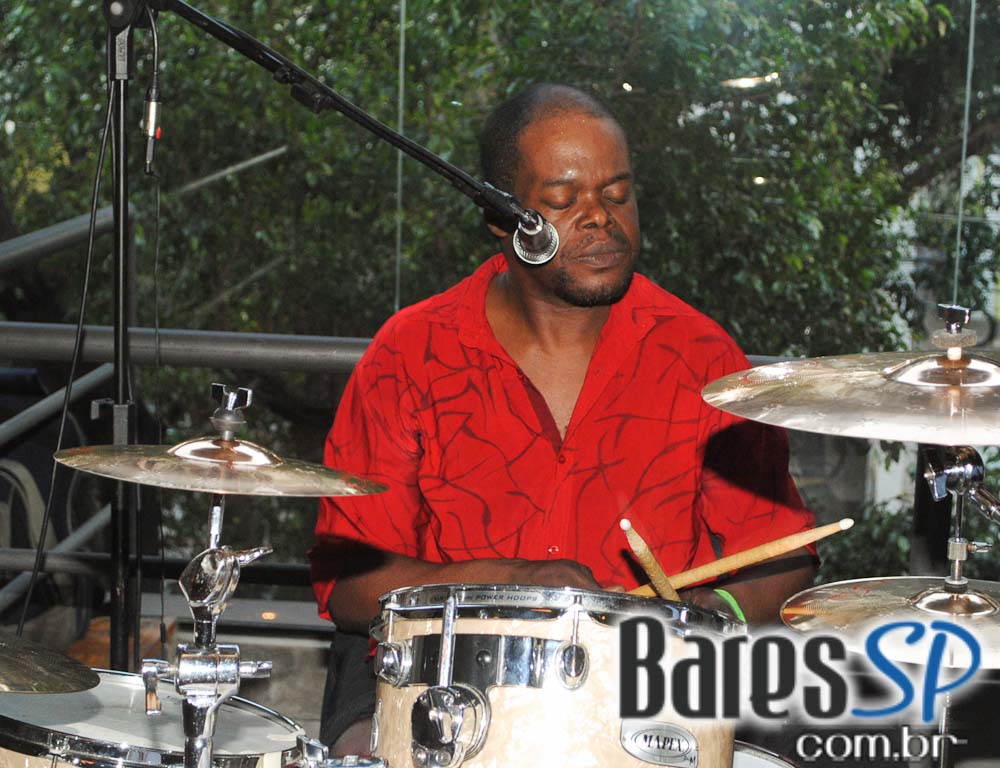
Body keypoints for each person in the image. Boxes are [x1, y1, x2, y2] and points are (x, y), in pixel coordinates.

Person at [309, 83, 816, 755]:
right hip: (450, 697)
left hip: (645, 705)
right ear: (501, 216)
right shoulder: (410, 355)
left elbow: (783, 553)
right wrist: (514, 583)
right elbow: (350, 589)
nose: (600, 218)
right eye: (562, 199)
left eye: (617, 194)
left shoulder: (703, 359)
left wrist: (718, 612)